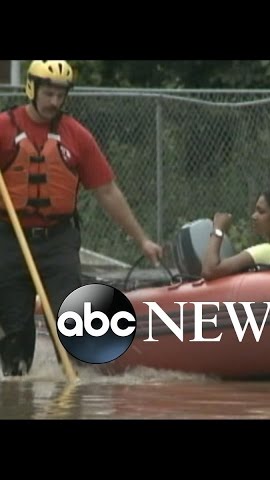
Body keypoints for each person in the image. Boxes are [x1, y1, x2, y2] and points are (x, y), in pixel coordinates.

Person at [0, 60, 163, 377]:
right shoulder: (5, 128)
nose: (54, 102)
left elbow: (107, 191)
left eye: (60, 95)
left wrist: (141, 239)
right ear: (32, 89)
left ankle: (76, 383)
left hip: (58, 240)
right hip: (10, 239)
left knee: (69, 320)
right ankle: (17, 387)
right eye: (48, 94)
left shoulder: (76, 135)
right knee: (15, 331)